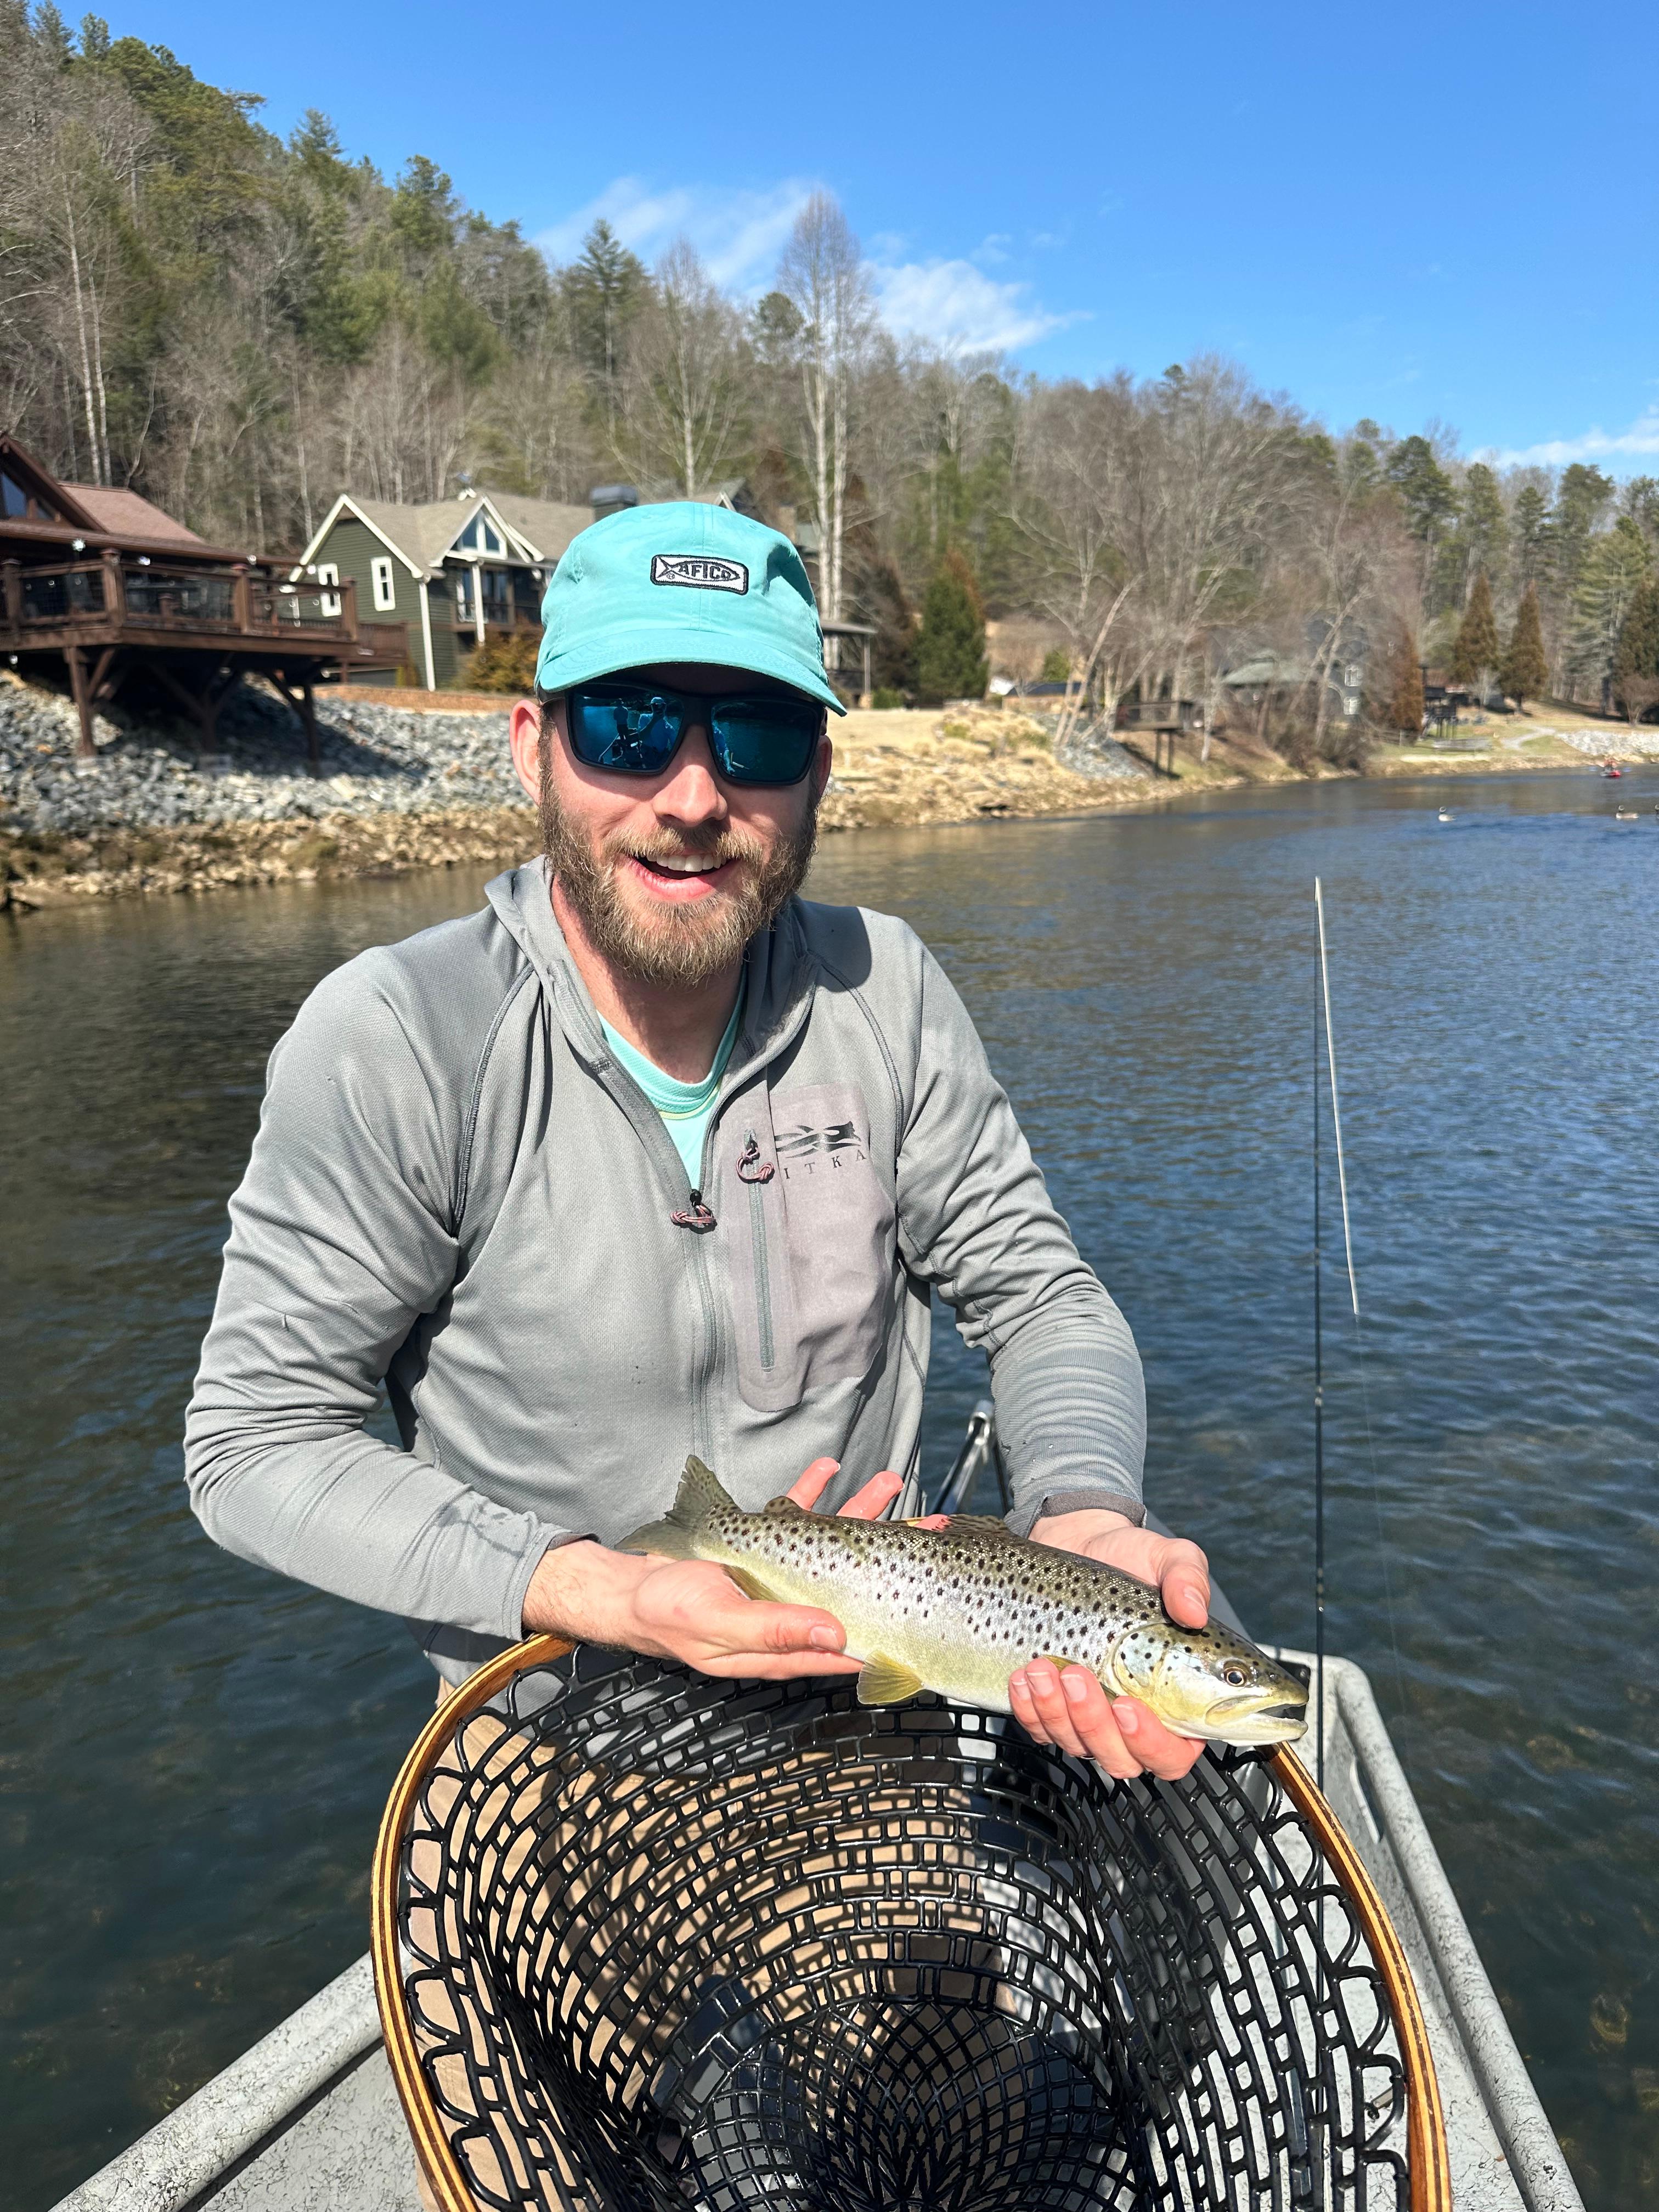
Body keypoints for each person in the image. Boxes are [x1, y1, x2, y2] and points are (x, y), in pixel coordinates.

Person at [185, 503, 1211, 1784]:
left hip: (864, 1725)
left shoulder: (883, 989)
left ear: (818, 774)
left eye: (757, 735)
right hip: (544, 1754)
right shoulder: (396, 1037)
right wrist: (594, 1590)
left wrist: (1085, 1511)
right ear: (531, 746)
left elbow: (1043, 1297)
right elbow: (258, 1444)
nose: (691, 795)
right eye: (629, 725)